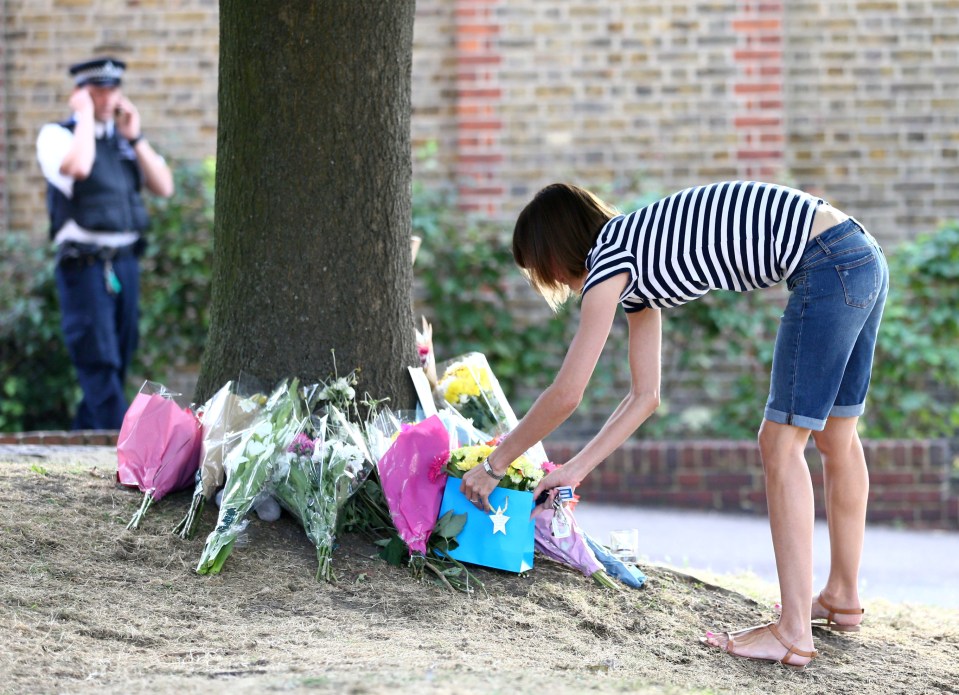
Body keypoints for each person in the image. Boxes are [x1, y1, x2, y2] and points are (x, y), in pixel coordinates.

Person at [460, 181, 888, 669]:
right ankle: (841, 596)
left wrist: (495, 464)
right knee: (835, 435)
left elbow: (567, 392)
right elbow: (646, 396)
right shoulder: (635, 253)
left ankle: (793, 634)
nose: (552, 283)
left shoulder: (610, 258)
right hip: (860, 254)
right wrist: (574, 470)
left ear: (556, 250)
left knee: (779, 443)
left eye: (541, 269)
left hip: (827, 262)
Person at [36, 57, 174, 430]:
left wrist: (136, 138)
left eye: (114, 89)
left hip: (125, 264)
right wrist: (82, 117)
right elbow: (79, 167)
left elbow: (164, 185)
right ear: (82, 94)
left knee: (120, 357)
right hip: (84, 266)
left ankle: (85, 437)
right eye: (99, 91)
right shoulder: (58, 135)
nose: (110, 97)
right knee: (99, 360)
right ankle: (116, 441)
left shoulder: (125, 143)